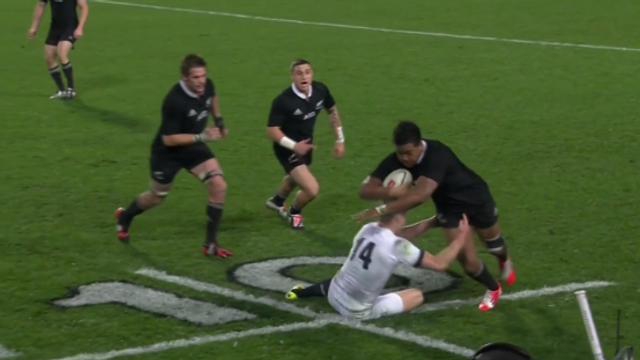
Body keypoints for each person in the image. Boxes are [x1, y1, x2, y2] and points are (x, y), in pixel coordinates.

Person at [355, 120, 516, 312]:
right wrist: (391, 193)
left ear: (419, 145)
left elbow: (420, 196)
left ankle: (503, 260)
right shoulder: (396, 159)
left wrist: (382, 210)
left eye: (409, 153)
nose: (404, 159)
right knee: (468, 263)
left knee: (494, 244)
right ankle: (494, 288)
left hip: (476, 199)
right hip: (449, 209)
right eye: (400, 153)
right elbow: (365, 191)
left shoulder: (437, 154)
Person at [115, 54, 233, 259]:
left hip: (193, 147)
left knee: (219, 185)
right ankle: (125, 216)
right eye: (196, 77)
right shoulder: (174, 100)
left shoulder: (207, 85)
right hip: (168, 153)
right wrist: (203, 135)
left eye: (203, 75)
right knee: (156, 197)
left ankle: (210, 243)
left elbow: (213, 97)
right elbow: (169, 139)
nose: (201, 81)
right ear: (185, 78)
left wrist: (220, 120)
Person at [285, 212, 470, 320]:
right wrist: (461, 237)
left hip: (334, 294)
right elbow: (440, 264)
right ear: (398, 219)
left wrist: (431, 223)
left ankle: (301, 292)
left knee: (349, 272)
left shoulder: (368, 228)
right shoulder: (398, 246)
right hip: (355, 311)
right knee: (416, 295)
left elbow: (401, 234)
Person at [265, 59, 346, 229]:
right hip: (287, 148)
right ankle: (293, 212)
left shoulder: (320, 90)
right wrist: (295, 146)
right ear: (292, 76)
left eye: (307, 72)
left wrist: (340, 139)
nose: (304, 76)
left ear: (312, 74)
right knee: (311, 189)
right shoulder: (283, 101)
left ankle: (276, 201)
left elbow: (332, 111)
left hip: (307, 145)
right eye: (299, 73)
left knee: (294, 178)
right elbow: (272, 131)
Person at [28, 0, 89, 99]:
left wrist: (80, 27)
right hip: (55, 27)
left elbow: (84, 7)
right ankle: (61, 90)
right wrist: (34, 27)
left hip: (71, 26)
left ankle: (71, 89)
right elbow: (41, 5)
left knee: (62, 54)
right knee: (49, 58)